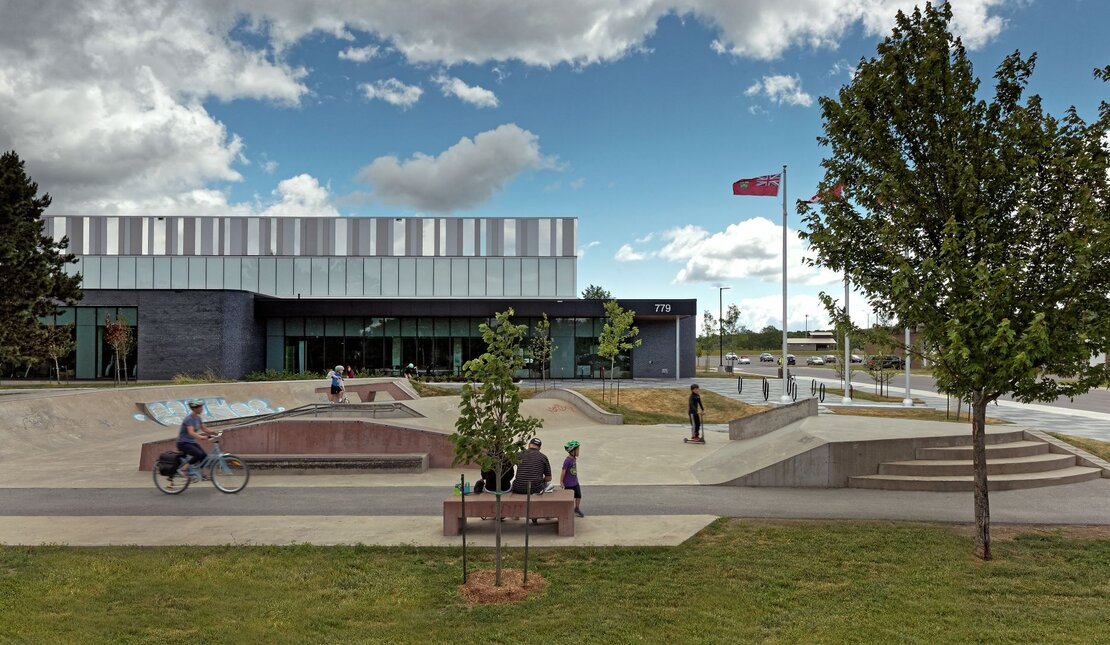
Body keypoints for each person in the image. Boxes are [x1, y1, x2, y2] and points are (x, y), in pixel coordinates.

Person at [177, 400, 212, 478]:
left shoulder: (198, 418)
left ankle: (202, 474)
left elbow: (204, 429)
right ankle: (183, 469)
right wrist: (202, 437)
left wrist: (214, 432)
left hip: (191, 442)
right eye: (200, 407)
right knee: (198, 454)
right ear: (195, 408)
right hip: (183, 443)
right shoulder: (189, 419)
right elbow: (191, 432)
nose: (202, 409)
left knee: (204, 455)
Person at [561, 440, 585, 517]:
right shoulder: (567, 460)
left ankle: (576, 508)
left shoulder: (573, 458)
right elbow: (563, 471)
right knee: (569, 499)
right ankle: (567, 511)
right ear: (572, 451)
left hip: (575, 482)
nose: (578, 452)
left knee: (578, 496)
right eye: (577, 450)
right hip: (568, 483)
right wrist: (561, 481)